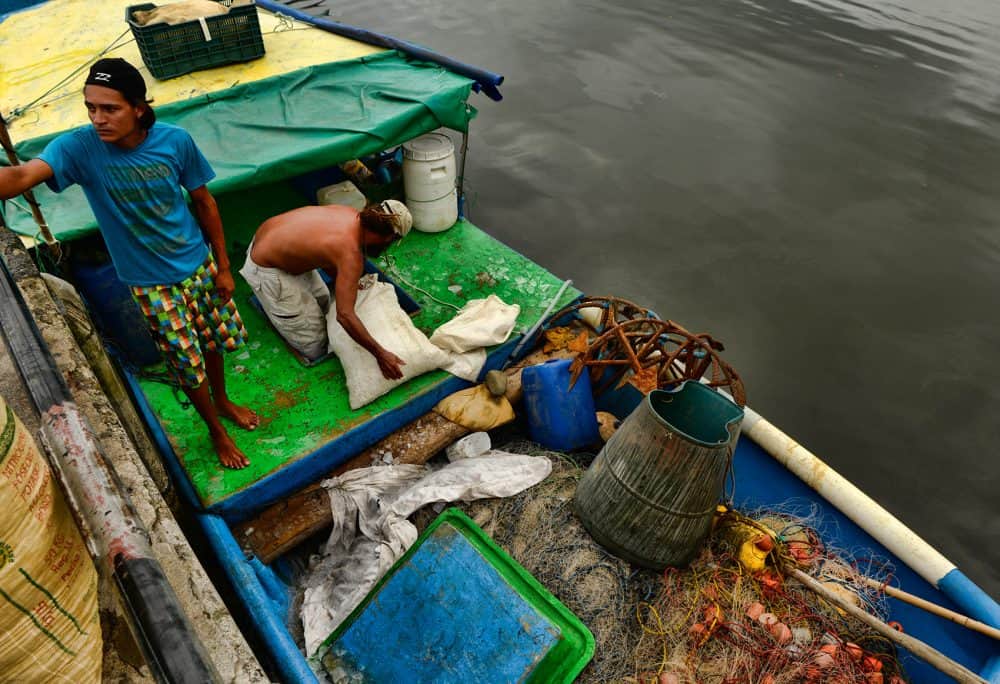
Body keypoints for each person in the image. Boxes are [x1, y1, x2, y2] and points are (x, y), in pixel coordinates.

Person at [0, 58, 257, 470]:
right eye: (91, 108)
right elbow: (20, 177)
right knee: (186, 366)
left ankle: (223, 399)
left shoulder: (175, 141)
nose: (98, 118)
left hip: (198, 265)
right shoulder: (79, 148)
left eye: (110, 108)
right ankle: (216, 430)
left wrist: (223, 265)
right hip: (151, 284)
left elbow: (204, 202)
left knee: (211, 343)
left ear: (138, 107)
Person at [239, 200, 412, 379]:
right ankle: (283, 321)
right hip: (268, 269)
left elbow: (329, 253)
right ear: (388, 238)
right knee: (314, 344)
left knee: (323, 300)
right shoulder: (350, 254)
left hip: (272, 243)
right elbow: (344, 315)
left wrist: (350, 283)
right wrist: (380, 354)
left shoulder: (349, 213)